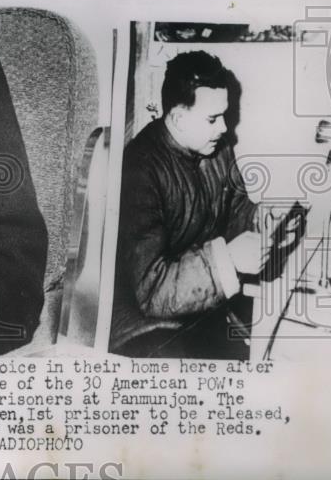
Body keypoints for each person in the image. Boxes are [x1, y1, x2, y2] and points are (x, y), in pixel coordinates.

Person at [110, 51, 271, 359]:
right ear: (178, 119)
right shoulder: (139, 169)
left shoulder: (216, 149)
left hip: (197, 308)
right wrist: (230, 261)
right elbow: (151, 291)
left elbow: (236, 210)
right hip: (143, 326)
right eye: (212, 119)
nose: (224, 128)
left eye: (223, 115)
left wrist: (263, 219)